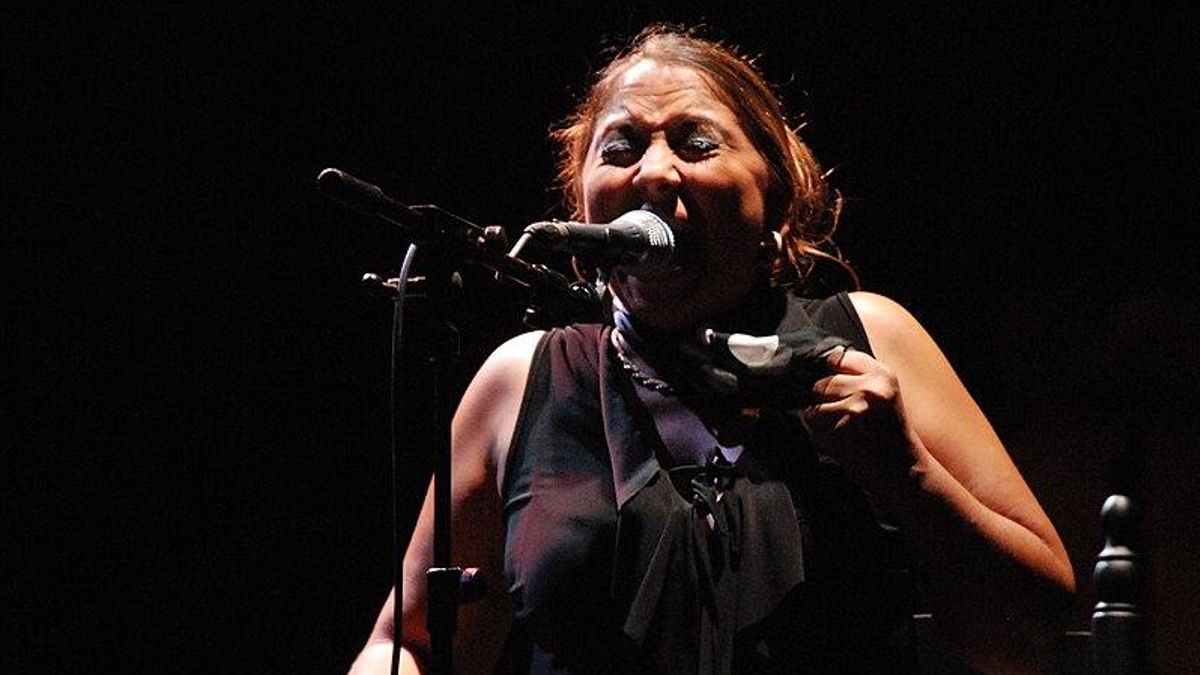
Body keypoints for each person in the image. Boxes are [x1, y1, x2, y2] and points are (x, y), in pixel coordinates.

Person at [349, 25, 1074, 674]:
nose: (654, 174)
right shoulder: (521, 379)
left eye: (695, 143)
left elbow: (1030, 642)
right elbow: (408, 641)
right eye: (622, 148)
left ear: (777, 201)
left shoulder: (869, 338)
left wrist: (909, 473)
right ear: (583, 205)